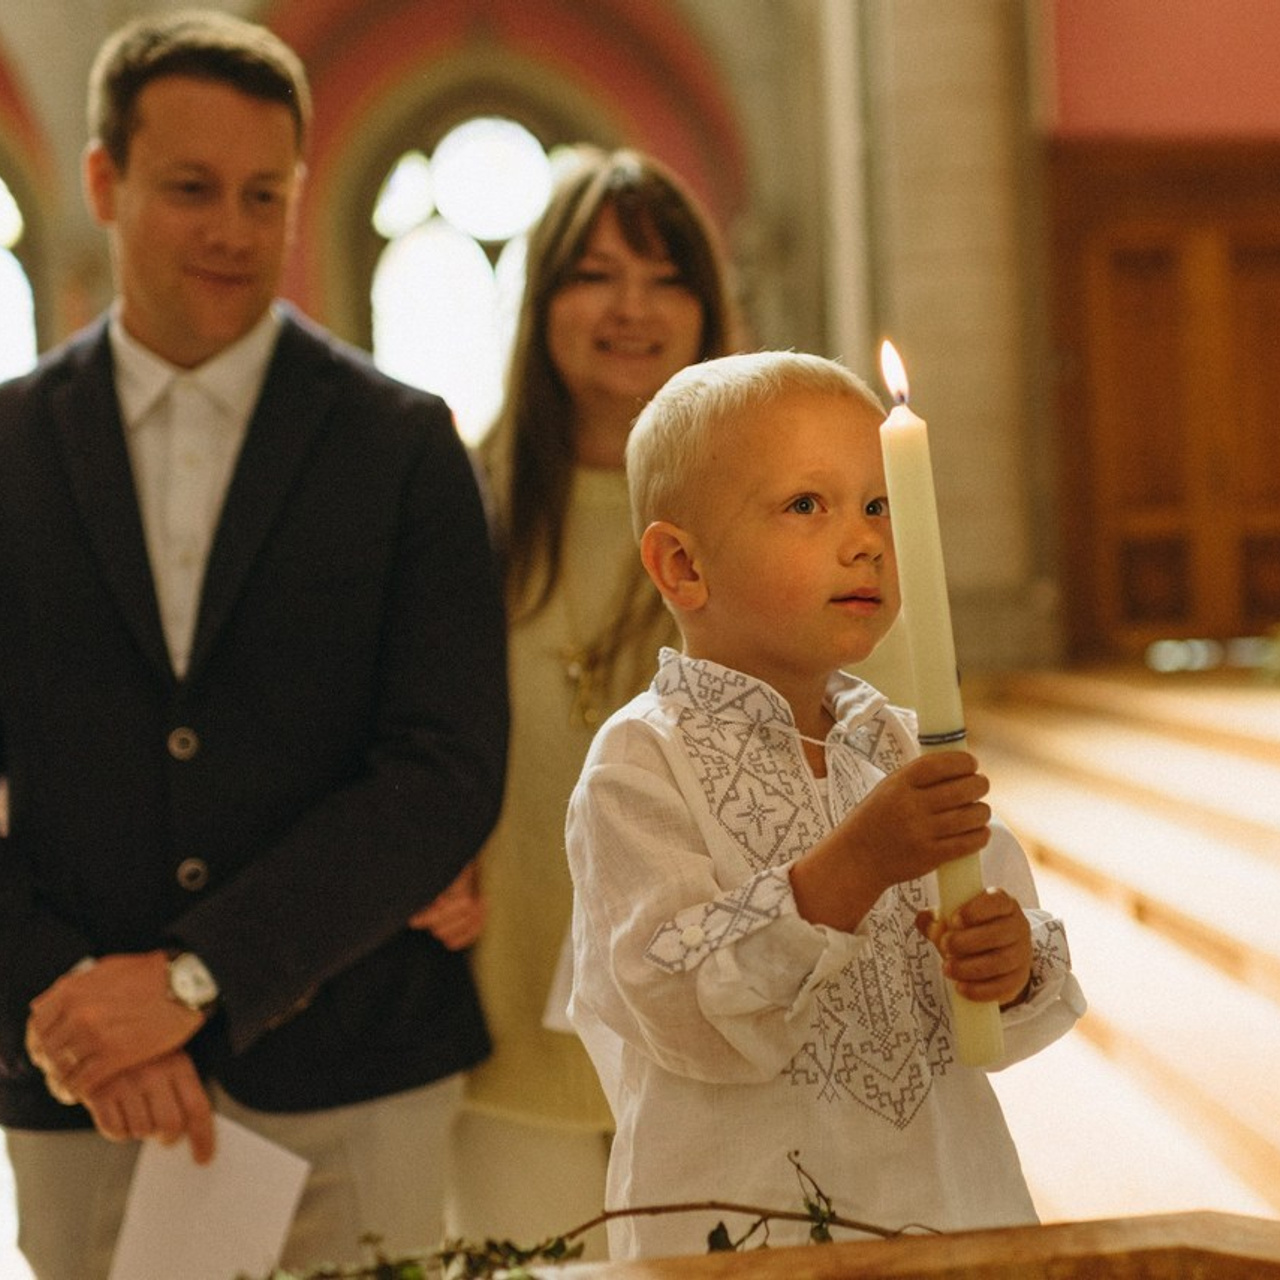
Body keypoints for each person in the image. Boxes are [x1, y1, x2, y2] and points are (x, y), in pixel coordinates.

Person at [0, 11, 508, 1278]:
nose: (233, 230)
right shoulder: (2, 447)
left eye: (263, 194)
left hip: (354, 1055)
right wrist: (72, 1001)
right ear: (105, 181)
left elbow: (442, 770)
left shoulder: (401, 445)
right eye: (190, 189)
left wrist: (189, 981)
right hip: (74, 1073)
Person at [565, 351, 1087, 1259]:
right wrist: (856, 863)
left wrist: (1008, 959)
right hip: (742, 1217)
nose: (866, 541)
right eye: (809, 505)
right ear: (682, 565)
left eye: (879, 505)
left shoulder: (897, 742)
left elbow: (1006, 941)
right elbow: (672, 1003)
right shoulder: (640, 763)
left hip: (944, 1194)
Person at [414, 147, 740, 1254]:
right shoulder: (455, 498)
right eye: (594, 274)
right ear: (541, 297)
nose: (630, 309)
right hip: (498, 1016)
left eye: (663, 276)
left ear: (706, 305)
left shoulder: (766, 508)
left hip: (712, 1023)